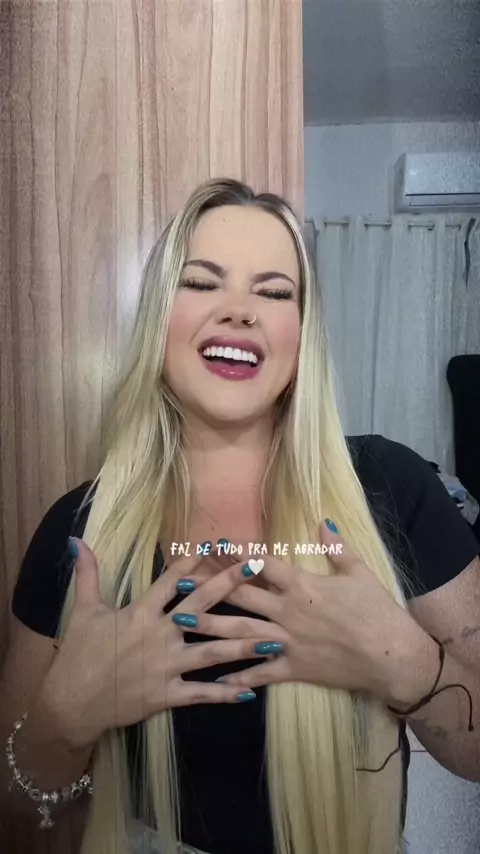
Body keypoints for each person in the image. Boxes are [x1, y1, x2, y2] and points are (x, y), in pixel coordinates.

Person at [1, 178, 479, 854]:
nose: (240, 311)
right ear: (159, 318)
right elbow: (15, 803)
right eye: (202, 283)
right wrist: (64, 718)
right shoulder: (76, 532)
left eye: (274, 292)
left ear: (301, 334)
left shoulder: (396, 487)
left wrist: (410, 666)